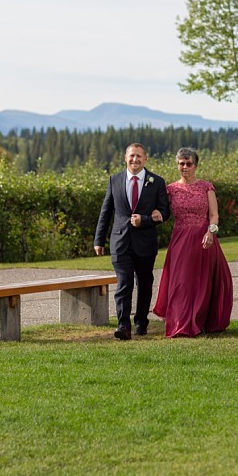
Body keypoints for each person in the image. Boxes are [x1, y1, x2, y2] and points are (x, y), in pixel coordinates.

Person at [151, 148, 233, 338]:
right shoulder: (170, 189)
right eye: (181, 163)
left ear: (196, 165)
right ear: (177, 164)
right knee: (181, 282)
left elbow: (214, 216)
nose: (185, 167)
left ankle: (200, 321)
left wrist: (210, 233)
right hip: (180, 239)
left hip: (205, 238)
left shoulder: (206, 187)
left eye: (189, 164)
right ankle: (180, 323)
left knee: (203, 282)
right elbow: (161, 210)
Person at [94, 143, 171, 341]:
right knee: (124, 284)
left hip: (145, 243)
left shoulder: (157, 182)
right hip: (120, 242)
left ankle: (141, 322)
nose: (135, 160)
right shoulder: (114, 180)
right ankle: (123, 325)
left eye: (139, 156)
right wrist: (98, 240)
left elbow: (165, 212)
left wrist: (145, 219)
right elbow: (106, 212)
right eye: (131, 156)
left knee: (144, 283)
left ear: (145, 159)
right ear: (125, 157)